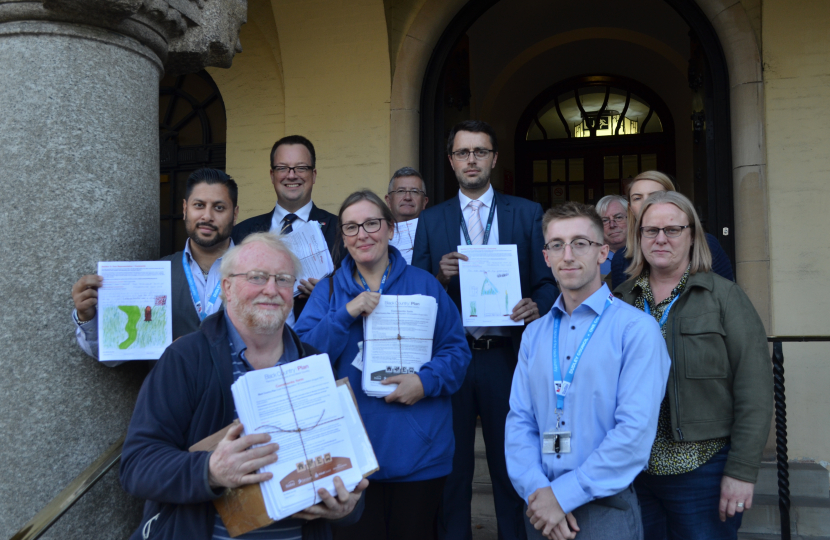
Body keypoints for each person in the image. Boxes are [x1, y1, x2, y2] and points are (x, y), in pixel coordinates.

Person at [120, 233, 367, 540]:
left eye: (283, 279)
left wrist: (347, 508)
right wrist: (209, 470)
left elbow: (351, 483)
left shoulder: (315, 365)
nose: (271, 289)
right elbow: (136, 465)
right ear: (227, 287)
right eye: (257, 277)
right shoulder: (185, 359)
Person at [294, 190, 470, 540]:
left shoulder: (426, 285)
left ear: (390, 229)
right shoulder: (327, 293)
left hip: (419, 454)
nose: (363, 234)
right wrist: (345, 314)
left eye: (372, 223)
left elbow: (457, 352)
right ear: (342, 238)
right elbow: (301, 360)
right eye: (351, 227)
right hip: (349, 457)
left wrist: (426, 382)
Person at [412, 120, 559, 540]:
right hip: (453, 359)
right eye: (463, 153)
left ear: (494, 158)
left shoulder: (526, 213)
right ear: (451, 161)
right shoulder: (432, 219)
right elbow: (417, 289)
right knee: (454, 468)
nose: (471, 160)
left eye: (480, 152)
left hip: (506, 357)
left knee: (511, 463)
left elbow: (547, 280)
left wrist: (538, 305)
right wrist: (438, 278)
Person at [505, 201, 669, 540]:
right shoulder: (534, 335)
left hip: (604, 507)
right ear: (546, 256)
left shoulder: (636, 330)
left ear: (603, 252)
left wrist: (563, 495)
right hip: (539, 507)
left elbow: (634, 433)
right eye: (556, 245)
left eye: (580, 243)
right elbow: (519, 421)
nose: (568, 255)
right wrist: (539, 491)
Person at [614, 191, 773, 540]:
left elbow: (755, 392)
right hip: (632, 472)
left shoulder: (724, 297)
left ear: (692, 236)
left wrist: (742, 472)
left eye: (672, 229)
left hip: (703, 471)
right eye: (650, 230)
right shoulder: (620, 300)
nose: (660, 239)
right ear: (637, 237)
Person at [71, 168, 238, 365]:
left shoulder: (258, 273)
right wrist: (86, 316)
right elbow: (112, 357)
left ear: (234, 214)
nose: (207, 216)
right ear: (185, 209)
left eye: (219, 208)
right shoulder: (152, 276)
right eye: (199, 205)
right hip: (171, 394)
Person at [232, 135, 341, 324]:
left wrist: (327, 294)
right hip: (257, 343)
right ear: (272, 175)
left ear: (313, 175)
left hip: (317, 344)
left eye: (301, 168)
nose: (291, 175)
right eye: (282, 168)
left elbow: (356, 290)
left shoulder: (341, 230)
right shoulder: (242, 233)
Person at [610, 171, 734, 289]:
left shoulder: (708, 245)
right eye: (637, 198)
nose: (646, 202)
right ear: (630, 208)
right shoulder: (621, 260)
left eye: (655, 196)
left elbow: (729, 298)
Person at [385, 167, 429, 264]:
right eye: (400, 191)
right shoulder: (377, 233)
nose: (408, 197)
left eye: (414, 191)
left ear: (424, 202)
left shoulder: (436, 233)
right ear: (388, 201)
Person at [595, 194, 628, 276]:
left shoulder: (644, 255)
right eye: (605, 220)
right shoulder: (591, 261)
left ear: (631, 219)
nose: (612, 225)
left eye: (619, 217)